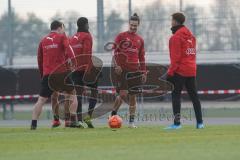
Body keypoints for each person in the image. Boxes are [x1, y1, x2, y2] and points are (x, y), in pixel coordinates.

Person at [31, 20, 80, 130]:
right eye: (63, 28)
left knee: (41, 100)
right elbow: (69, 49)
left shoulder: (43, 41)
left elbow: (39, 59)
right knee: (72, 95)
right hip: (61, 73)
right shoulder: (62, 37)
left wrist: (42, 75)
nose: (64, 30)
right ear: (60, 28)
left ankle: (33, 124)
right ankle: (73, 121)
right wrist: (74, 62)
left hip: (48, 75)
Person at [165, 12, 204, 130]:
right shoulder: (192, 37)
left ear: (175, 21)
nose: (171, 22)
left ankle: (177, 124)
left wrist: (170, 73)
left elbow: (175, 58)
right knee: (194, 97)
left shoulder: (175, 37)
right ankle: (200, 123)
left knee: (176, 96)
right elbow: (191, 55)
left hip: (180, 71)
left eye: (172, 20)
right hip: (191, 70)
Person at [110, 13, 147, 128]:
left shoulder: (140, 40)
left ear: (138, 25)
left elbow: (141, 57)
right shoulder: (121, 36)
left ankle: (131, 122)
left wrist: (144, 71)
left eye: (135, 25)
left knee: (133, 97)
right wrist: (116, 65)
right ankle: (113, 114)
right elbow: (114, 52)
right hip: (122, 70)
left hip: (135, 71)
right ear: (129, 24)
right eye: (131, 25)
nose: (133, 27)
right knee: (123, 94)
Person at [70, 17, 99, 128]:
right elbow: (87, 54)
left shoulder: (72, 38)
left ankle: (80, 120)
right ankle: (89, 116)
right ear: (86, 25)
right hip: (87, 69)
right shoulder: (87, 36)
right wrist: (88, 70)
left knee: (78, 95)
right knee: (95, 91)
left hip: (75, 70)